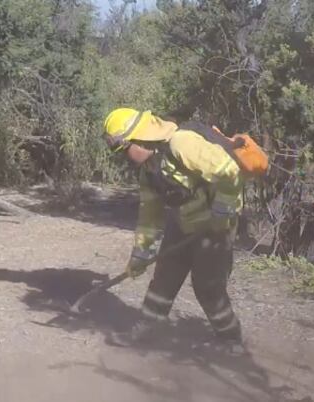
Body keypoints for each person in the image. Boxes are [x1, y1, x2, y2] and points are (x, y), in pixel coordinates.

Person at [103, 108, 248, 353]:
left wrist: (223, 210)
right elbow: (150, 213)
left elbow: (230, 172)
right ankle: (149, 327)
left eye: (124, 149)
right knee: (163, 279)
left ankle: (230, 339)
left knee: (207, 286)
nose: (125, 157)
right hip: (183, 223)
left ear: (139, 139)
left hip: (215, 227)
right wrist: (141, 251)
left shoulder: (182, 143)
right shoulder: (149, 169)